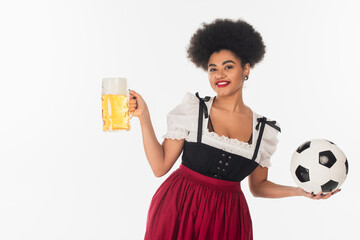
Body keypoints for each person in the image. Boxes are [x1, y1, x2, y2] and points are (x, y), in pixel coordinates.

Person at [128, 19, 340, 240]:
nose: (219, 75)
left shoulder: (263, 133)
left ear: (245, 69)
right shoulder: (193, 111)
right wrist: (144, 116)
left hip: (227, 218)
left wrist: (299, 191)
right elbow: (159, 167)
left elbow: (258, 187)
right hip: (180, 206)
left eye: (228, 67)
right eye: (213, 69)